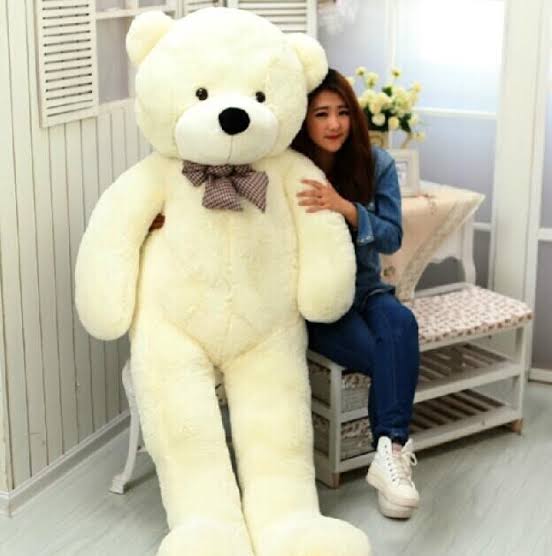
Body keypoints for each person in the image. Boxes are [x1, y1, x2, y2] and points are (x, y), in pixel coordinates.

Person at [291, 68, 420, 519]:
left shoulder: (375, 163)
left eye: (343, 112)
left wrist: (346, 208)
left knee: (401, 324)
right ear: (303, 119)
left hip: (367, 290)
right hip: (319, 304)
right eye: (321, 114)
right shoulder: (290, 166)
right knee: (384, 354)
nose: (334, 124)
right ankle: (392, 452)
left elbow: (391, 237)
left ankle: (389, 453)